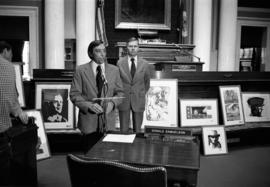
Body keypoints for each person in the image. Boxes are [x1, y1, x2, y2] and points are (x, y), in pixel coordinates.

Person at [70, 40, 124, 153]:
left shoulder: (114, 70)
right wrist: (89, 105)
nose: (102, 54)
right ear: (90, 53)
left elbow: (120, 93)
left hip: (108, 122)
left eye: (104, 51)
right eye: (98, 51)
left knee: (107, 157)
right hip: (89, 122)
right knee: (90, 156)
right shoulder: (80, 70)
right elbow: (74, 95)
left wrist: (112, 104)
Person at [0, 41, 29, 185]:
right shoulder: (7, 67)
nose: (11, 56)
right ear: (5, 51)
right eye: (10, 53)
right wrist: (19, 112)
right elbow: (9, 96)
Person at [117, 37, 151, 133]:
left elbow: (147, 82)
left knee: (138, 131)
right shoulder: (120, 63)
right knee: (123, 131)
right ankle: (123, 147)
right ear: (126, 48)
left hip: (138, 99)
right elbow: (118, 82)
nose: (133, 48)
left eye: (135, 46)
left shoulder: (145, 64)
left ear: (138, 47)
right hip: (124, 99)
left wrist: (140, 93)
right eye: (130, 46)